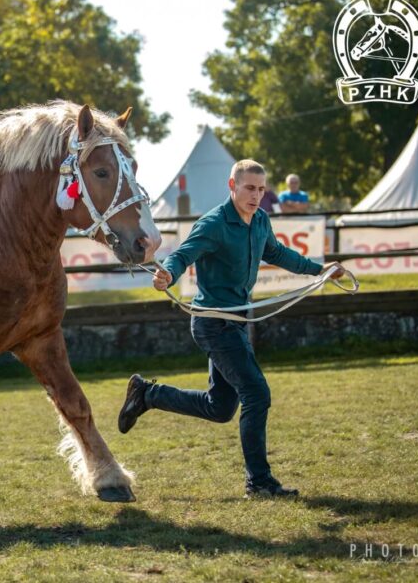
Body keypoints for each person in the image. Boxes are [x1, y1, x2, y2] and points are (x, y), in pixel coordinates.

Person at [118, 159, 345, 498]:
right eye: (249, 188)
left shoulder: (261, 221)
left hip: (235, 324)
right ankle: (259, 482)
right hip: (213, 325)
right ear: (232, 186)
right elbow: (183, 254)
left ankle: (147, 394)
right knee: (257, 394)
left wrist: (319, 269)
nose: (256, 195)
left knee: (219, 408)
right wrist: (168, 274)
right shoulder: (213, 224)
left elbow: (279, 253)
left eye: (261, 189)